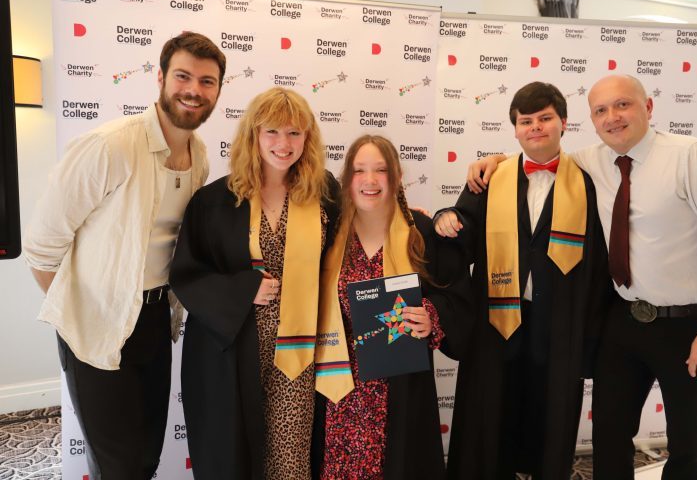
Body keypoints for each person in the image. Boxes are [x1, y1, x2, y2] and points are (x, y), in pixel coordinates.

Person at [465, 74, 697, 480]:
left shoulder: (690, 156)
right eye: (601, 110)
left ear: (648, 108)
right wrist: (492, 161)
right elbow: (538, 154)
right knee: (609, 434)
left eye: (623, 105)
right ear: (590, 119)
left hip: (686, 324)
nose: (613, 117)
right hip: (623, 319)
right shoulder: (591, 161)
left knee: (687, 439)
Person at [22, 32, 225, 479]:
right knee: (120, 466)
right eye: (184, 76)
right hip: (95, 327)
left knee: (146, 456)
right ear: (160, 78)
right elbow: (41, 246)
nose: (194, 90)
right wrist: (80, 314)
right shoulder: (110, 146)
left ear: (218, 91)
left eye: (207, 81)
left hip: (155, 322)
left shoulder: (201, 157)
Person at [434, 82, 612, 479]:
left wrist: (591, 339)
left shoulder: (587, 181)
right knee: (491, 415)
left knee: (549, 418)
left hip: (558, 321)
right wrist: (447, 218)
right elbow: (464, 229)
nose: (535, 128)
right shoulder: (490, 177)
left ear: (563, 123)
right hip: (497, 319)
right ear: (514, 129)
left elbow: (599, 265)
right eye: (525, 121)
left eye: (545, 118)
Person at [169, 87, 343, 480]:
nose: (284, 144)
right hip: (233, 346)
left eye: (295, 133)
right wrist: (244, 288)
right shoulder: (216, 200)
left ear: (308, 139)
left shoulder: (324, 194)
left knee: (290, 452)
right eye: (272, 132)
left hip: (297, 348)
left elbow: (352, 241)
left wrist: (414, 215)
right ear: (253, 135)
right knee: (234, 452)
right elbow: (187, 275)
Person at [314, 135, 472, 480]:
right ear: (346, 178)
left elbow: (457, 298)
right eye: (359, 170)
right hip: (337, 389)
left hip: (400, 391)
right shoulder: (326, 234)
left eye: (381, 170)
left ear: (396, 176)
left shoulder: (422, 232)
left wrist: (431, 316)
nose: (370, 180)